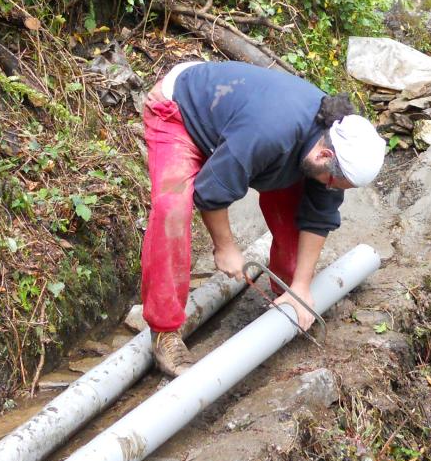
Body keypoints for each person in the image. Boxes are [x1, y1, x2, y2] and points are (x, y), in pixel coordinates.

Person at [140, 59, 386, 377]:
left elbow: (320, 213)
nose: (330, 188)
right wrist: (225, 247)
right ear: (325, 156)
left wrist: (300, 286)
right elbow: (211, 190)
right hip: (182, 113)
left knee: (297, 214)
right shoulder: (270, 133)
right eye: (332, 182)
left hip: (239, 127)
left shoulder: (331, 141)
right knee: (172, 208)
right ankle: (164, 332)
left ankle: (285, 293)